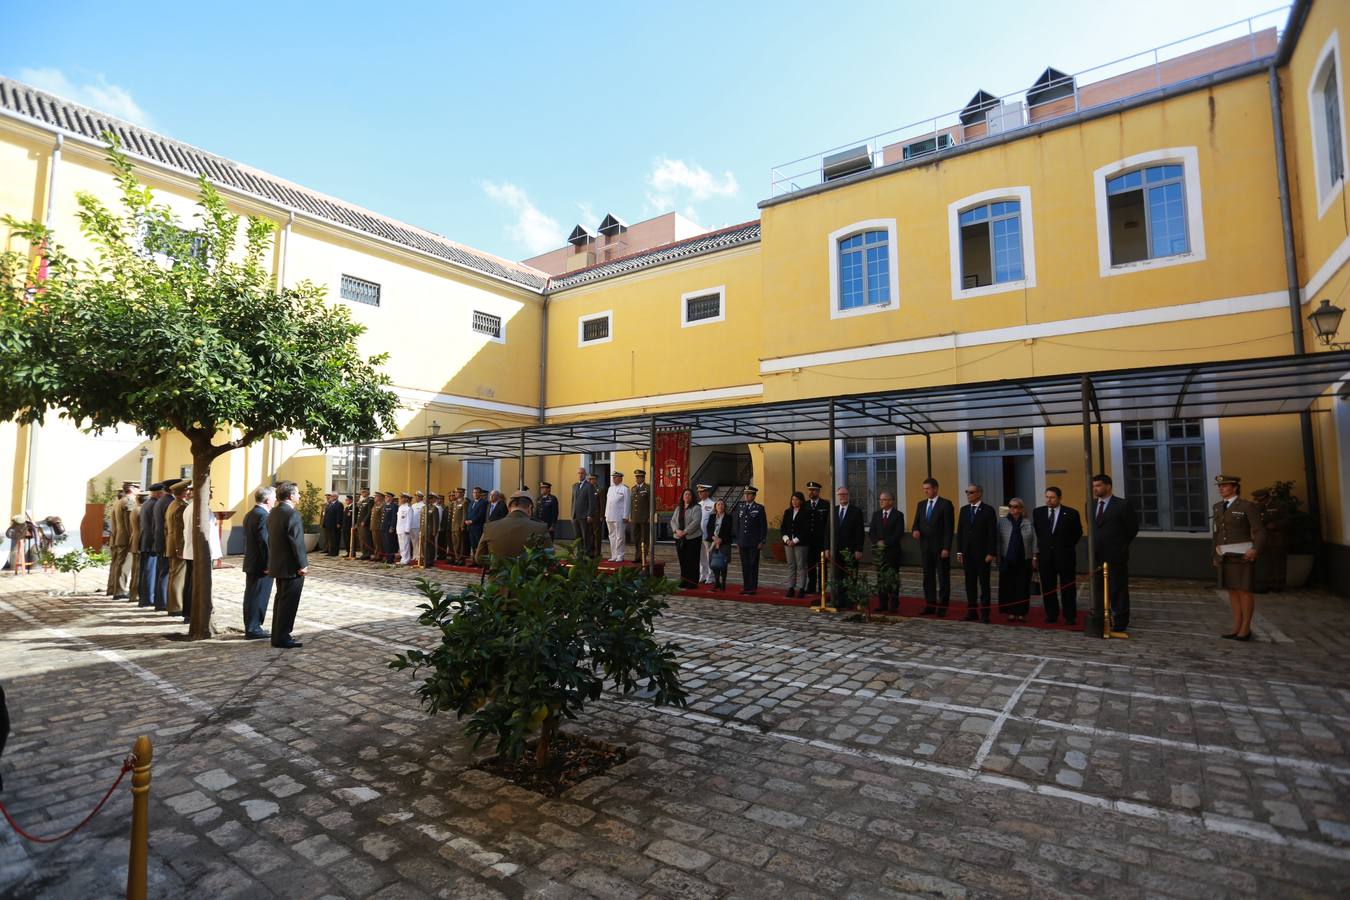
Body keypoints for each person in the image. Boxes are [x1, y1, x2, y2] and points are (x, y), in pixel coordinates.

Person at [1212, 474, 1265, 641]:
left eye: (1225, 486)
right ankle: (1236, 626)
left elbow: (1260, 531)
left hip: (1243, 555)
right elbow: (1217, 533)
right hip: (1225, 555)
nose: (1221, 488)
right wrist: (1215, 554)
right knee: (1232, 591)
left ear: (1235, 487)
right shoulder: (1217, 507)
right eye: (1220, 486)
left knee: (1244, 591)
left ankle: (1246, 628)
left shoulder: (1247, 506)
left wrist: (1255, 549)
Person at [1090, 473, 1139, 633]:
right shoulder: (1090, 505)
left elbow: (1132, 528)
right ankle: (1102, 618)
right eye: (1094, 486)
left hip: (1116, 555)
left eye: (1098, 485)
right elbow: (1093, 529)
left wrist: (1120, 546)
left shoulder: (1122, 505)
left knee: (1118, 588)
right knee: (1098, 589)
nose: (1095, 489)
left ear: (1108, 486)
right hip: (1096, 555)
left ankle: (1120, 621)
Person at [1033, 487, 1082, 625]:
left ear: (1059, 498)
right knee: (1048, 587)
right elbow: (1038, 533)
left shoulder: (1071, 513)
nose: (1049, 500)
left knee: (1068, 587)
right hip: (1046, 557)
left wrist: (1066, 547)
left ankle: (1070, 615)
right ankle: (1051, 614)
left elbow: (1077, 532)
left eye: (1052, 497)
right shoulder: (1038, 512)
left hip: (1065, 557)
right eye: (1047, 497)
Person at [267, 482, 307, 649]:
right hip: (291, 567)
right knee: (288, 603)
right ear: (290, 496)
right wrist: (302, 564)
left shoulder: (274, 512)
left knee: (280, 601)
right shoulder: (292, 514)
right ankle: (283, 636)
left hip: (278, 563)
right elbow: (296, 542)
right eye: (297, 493)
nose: (299, 496)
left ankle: (277, 635)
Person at [913, 478, 954, 616]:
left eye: (928, 488)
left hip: (940, 548)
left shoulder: (946, 504)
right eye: (924, 488)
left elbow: (949, 529)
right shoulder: (921, 505)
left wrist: (946, 548)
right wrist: (915, 530)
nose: (925, 491)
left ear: (935, 488)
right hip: (925, 547)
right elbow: (916, 523)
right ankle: (930, 604)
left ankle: (943, 606)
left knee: (943, 577)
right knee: (928, 577)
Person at [957, 484, 998, 623]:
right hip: (968, 553)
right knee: (970, 583)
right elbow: (961, 532)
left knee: (984, 584)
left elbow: (992, 533)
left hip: (983, 554)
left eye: (971, 492)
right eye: (967, 492)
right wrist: (959, 550)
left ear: (979, 494)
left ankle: (985, 613)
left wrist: (991, 552)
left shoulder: (988, 510)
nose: (968, 494)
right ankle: (972, 611)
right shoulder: (964, 510)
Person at [475, 491, 552, 564]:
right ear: (529, 508)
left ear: (509, 508)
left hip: (499, 576)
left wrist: (496, 564)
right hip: (528, 576)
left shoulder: (490, 527)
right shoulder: (541, 527)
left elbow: (479, 558)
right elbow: (550, 557)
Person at [242, 486, 274, 640]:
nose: (275, 500)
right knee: (258, 596)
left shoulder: (251, 513)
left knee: (252, 595)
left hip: (252, 561)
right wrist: (268, 564)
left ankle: (252, 625)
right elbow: (264, 541)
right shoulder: (263, 515)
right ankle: (253, 628)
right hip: (261, 564)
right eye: (274, 497)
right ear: (267, 500)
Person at [997, 498, 1037, 622]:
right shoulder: (1002, 522)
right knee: (1008, 586)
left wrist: (1035, 556)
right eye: (1011, 506)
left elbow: (1034, 540)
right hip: (1007, 558)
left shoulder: (1028, 522)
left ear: (1021, 508)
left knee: (1022, 587)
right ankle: (1010, 611)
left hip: (1024, 559)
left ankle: (1021, 612)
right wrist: (997, 558)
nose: (1013, 509)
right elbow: (997, 541)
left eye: (1016, 506)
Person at [869, 492, 905, 612]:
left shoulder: (898, 515)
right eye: (880, 499)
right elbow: (872, 532)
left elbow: (898, 533)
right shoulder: (876, 515)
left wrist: (886, 543)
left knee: (892, 578)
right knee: (881, 578)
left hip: (892, 552)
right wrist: (877, 542)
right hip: (879, 553)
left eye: (884, 499)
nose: (881, 501)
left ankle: (894, 603)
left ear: (891, 501)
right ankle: (882, 603)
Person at [827, 487, 866, 598]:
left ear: (848, 496)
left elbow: (860, 533)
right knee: (837, 576)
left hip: (851, 551)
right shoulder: (833, 510)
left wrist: (859, 549)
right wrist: (827, 548)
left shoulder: (856, 511)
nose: (843, 496)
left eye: (845, 494)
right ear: (838, 496)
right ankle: (839, 598)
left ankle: (850, 599)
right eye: (840, 494)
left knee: (850, 575)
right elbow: (827, 531)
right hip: (836, 550)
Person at [734, 486, 767, 595]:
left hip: (754, 542)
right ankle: (746, 586)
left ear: (753, 495)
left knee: (753, 564)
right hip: (742, 541)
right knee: (745, 565)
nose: (746, 496)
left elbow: (763, 526)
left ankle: (753, 587)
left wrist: (762, 541)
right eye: (745, 494)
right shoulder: (741, 506)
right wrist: (737, 540)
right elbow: (737, 524)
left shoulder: (759, 508)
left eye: (748, 494)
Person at [165, 480, 190, 617]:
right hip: (177, 545)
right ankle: (176, 606)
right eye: (186, 490)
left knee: (175, 575)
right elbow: (179, 530)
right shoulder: (180, 506)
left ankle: (173, 605)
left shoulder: (172, 504)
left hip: (171, 543)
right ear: (183, 492)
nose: (188, 492)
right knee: (178, 577)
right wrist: (180, 550)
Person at [110, 482, 138, 599]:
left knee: (118, 564)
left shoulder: (120, 501)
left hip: (119, 536)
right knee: (124, 565)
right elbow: (129, 523)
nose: (139, 489)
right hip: (125, 538)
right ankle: (120, 591)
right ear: (131, 489)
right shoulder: (129, 501)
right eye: (137, 487)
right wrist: (133, 537)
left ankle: (114, 589)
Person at [671, 488, 703, 589]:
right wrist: (676, 531)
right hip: (679, 538)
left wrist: (685, 532)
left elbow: (696, 522)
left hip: (692, 538)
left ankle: (692, 582)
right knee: (683, 560)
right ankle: (684, 580)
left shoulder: (696, 508)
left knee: (692, 561)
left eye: (689, 494)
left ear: (692, 496)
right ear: (682, 497)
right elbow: (673, 521)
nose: (687, 496)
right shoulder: (678, 508)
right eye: (685, 494)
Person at [138, 483, 163, 606]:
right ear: (159, 493)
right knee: (150, 572)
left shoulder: (147, 503)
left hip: (145, 540)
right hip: (150, 542)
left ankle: (145, 597)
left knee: (146, 571)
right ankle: (148, 598)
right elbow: (155, 526)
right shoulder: (154, 504)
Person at [780, 491, 809, 598]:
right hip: (788, 544)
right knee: (791, 565)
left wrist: (795, 540)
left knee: (801, 566)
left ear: (801, 501)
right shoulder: (787, 512)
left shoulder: (805, 512)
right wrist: (787, 540)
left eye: (796, 499)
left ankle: (802, 588)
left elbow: (806, 530)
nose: (794, 501)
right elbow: (783, 528)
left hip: (800, 544)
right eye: (793, 499)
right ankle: (791, 587)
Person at [803, 481, 830, 597]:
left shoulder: (825, 505)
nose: (811, 492)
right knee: (810, 565)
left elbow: (828, 524)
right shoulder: (806, 505)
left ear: (818, 491)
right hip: (809, 541)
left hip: (821, 541)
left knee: (822, 566)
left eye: (813, 490)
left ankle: (822, 587)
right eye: (810, 490)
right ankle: (811, 586)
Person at [705, 498, 734, 591]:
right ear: (715, 507)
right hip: (713, 542)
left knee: (723, 563)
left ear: (724, 506)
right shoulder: (712, 517)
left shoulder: (729, 517)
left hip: (724, 542)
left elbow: (730, 530)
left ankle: (723, 583)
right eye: (718, 505)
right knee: (714, 563)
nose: (720, 506)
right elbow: (708, 529)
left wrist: (721, 539)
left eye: (722, 504)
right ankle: (717, 582)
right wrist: (713, 537)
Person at [605, 471, 631, 562]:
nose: (614, 479)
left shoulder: (625, 489)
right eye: (613, 477)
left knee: (620, 536)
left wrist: (626, 515)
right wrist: (606, 514)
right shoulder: (610, 488)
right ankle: (614, 555)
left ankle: (620, 554)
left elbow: (627, 503)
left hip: (619, 516)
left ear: (620, 478)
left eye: (616, 477)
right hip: (609, 515)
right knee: (612, 536)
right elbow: (608, 503)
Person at [570, 467, 594, 555]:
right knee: (577, 537)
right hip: (575, 516)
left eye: (582, 473)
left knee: (585, 536)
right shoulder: (574, 486)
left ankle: (587, 554)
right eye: (579, 473)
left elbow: (592, 501)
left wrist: (590, 515)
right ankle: (579, 554)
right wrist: (572, 514)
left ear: (585, 474)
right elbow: (573, 501)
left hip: (584, 516)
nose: (580, 475)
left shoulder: (589, 486)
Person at [630, 470, 652, 564]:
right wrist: (631, 516)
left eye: (639, 477)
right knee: (636, 538)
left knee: (644, 539)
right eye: (636, 477)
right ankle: (637, 556)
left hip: (644, 518)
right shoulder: (634, 488)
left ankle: (643, 557)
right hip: (635, 518)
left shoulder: (648, 488)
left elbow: (652, 503)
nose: (637, 479)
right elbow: (632, 504)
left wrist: (650, 516)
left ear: (643, 478)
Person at [128, 492, 146, 601]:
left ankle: (133, 593)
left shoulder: (135, 509)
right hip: (138, 542)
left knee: (135, 570)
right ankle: (135, 595)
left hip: (134, 541)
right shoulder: (140, 510)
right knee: (137, 571)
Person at [696, 484, 716, 584]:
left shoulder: (713, 504)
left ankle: (711, 575)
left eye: (702, 491)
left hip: (708, 535)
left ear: (707, 492)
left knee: (709, 556)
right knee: (701, 556)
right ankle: (702, 575)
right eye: (699, 492)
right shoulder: (698, 504)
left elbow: (713, 521)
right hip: (698, 534)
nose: (699, 493)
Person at [466, 487, 488, 558]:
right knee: (473, 545)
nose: (475, 494)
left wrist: (472, 521)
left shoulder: (483, 502)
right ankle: (474, 560)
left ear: (480, 493)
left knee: (479, 545)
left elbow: (481, 514)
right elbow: (468, 513)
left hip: (478, 527)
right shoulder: (471, 502)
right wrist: (466, 520)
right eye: (473, 492)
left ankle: (480, 561)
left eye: (476, 492)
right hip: (470, 527)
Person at [587, 474, 606, 558]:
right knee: (590, 534)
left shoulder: (600, 490)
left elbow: (602, 504)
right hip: (588, 515)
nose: (592, 481)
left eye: (593, 479)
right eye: (590, 479)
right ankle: (591, 552)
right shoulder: (587, 489)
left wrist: (602, 516)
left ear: (596, 480)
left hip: (597, 515)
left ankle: (597, 553)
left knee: (597, 535)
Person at [321, 492, 343, 558]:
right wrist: (324, 523)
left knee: (335, 539)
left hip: (335, 524)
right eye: (331, 496)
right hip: (328, 524)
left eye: (333, 496)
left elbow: (339, 514)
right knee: (330, 538)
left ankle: (335, 552)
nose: (331, 497)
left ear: (336, 497)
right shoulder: (330, 504)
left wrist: (339, 523)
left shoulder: (339, 504)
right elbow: (326, 515)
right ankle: (330, 551)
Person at [354, 488, 374, 560]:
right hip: (360, 523)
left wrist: (364, 521)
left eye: (364, 492)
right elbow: (359, 513)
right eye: (362, 492)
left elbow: (369, 512)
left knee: (366, 538)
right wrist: (357, 522)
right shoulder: (362, 501)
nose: (362, 493)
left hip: (365, 524)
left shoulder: (370, 500)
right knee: (361, 538)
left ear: (368, 493)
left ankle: (368, 553)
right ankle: (363, 552)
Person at [381, 491, 400, 563]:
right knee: (385, 543)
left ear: (391, 498)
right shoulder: (385, 505)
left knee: (390, 543)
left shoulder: (394, 506)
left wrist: (392, 527)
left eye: (388, 497)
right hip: (384, 527)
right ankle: (387, 556)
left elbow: (394, 517)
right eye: (386, 497)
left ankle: (390, 558)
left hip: (389, 527)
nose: (386, 498)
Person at [449, 487, 467, 563]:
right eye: (455, 492)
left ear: (462, 493)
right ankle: (457, 558)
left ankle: (460, 559)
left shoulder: (464, 502)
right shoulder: (455, 502)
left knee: (460, 543)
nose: (455, 494)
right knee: (455, 543)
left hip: (459, 526)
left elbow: (464, 515)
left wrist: (462, 525)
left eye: (458, 492)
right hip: (453, 526)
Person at [396, 493, 414, 565]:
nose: (400, 499)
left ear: (406, 499)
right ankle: (403, 558)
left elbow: (409, 520)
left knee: (405, 544)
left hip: (404, 529)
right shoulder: (400, 507)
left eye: (402, 498)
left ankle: (406, 559)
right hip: (399, 528)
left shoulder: (408, 508)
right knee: (401, 545)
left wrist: (407, 529)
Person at [410, 491, 426, 565]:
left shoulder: (423, 505)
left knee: (419, 542)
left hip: (418, 526)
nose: (416, 497)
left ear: (421, 497)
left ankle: (419, 555)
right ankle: (414, 555)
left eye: (418, 496)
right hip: (412, 526)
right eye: (416, 496)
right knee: (414, 542)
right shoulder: (413, 505)